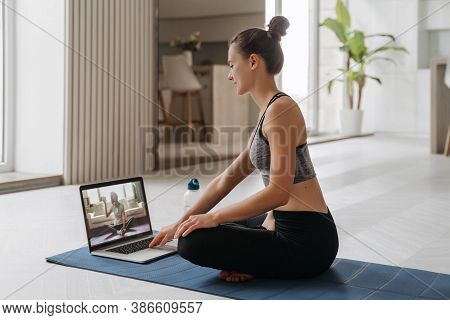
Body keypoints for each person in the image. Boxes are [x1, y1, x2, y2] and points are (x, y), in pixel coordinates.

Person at [149, 16, 339, 283]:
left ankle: (258, 262)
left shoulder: (281, 110)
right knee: (192, 229)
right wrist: (180, 223)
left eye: (232, 65)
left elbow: (279, 192)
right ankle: (256, 259)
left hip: (307, 241)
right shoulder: (267, 113)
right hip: (285, 223)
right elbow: (226, 180)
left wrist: (213, 218)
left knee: (192, 243)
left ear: (252, 62)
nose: (229, 74)